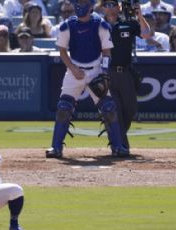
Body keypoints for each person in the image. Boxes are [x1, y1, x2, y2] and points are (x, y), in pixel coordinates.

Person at [46, 0, 129, 158]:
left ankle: (118, 146)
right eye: (78, 2)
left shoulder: (101, 25)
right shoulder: (67, 25)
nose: (79, 5)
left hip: (95, 69)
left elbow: (106, 52)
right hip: (74, 70)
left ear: (91, 6)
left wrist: (104, 73)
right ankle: (56, 147)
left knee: (109, 108)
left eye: (83, 2)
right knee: (64, 107)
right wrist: (73, 68)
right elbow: (62, 51)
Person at [102, 0, 150, 152]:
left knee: (130, 109)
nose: (110, 8)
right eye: (107, 5)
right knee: (113, 109)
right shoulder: (98, 24)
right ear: (103, 8)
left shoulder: (128, 23)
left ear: (118, 6)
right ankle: (120, 145)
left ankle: (116, 136)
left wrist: (140, 16)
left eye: (113, 4)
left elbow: (146, 34)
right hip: (106, 72)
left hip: (125, 71)